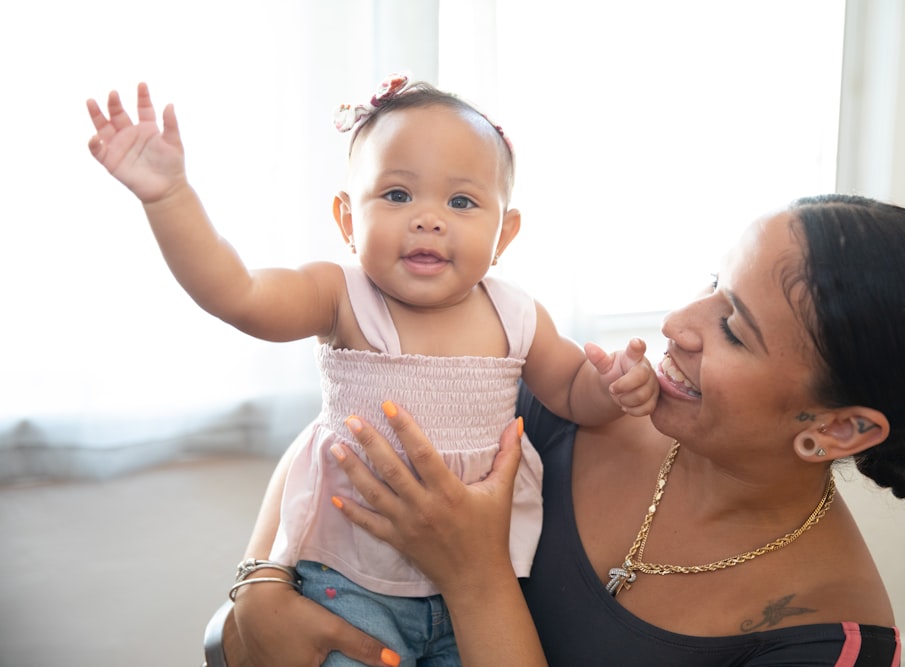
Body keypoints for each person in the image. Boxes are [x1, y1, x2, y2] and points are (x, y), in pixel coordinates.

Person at [218, 194, 905, 666]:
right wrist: (259, 582)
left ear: (838, 428)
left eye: (734, 329)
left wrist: (474, 573)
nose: (678, 323)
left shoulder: (826, 638)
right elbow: (363, 422)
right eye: (711, 282)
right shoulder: (580, 401)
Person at [85, 76, 659, 667]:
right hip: (348, 579)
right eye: (396, 195)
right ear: (346, 219)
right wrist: (169, 198)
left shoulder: (516, 313)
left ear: (504, 232)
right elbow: (240, 295)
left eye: (461, 202)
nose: (428, 219)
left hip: (478, 590)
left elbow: (570, 391)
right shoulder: (341, 296)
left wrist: (614, 385)